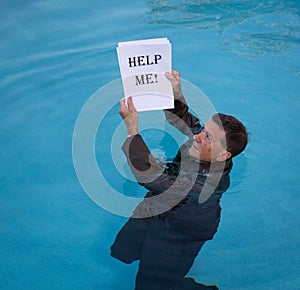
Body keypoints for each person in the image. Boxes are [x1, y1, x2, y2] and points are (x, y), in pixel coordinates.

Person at [110, 70, 248, 290]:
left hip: (182, 229)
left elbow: (151, 177)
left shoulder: (204, 186)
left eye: (207, 137)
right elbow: (185, 121)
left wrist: (132, 131)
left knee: (150, 287)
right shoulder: (204, 147)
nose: (197, 136)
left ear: (224, 156)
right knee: (121, 252)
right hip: (161, 202)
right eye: (204, 130)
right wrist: (175, 93)